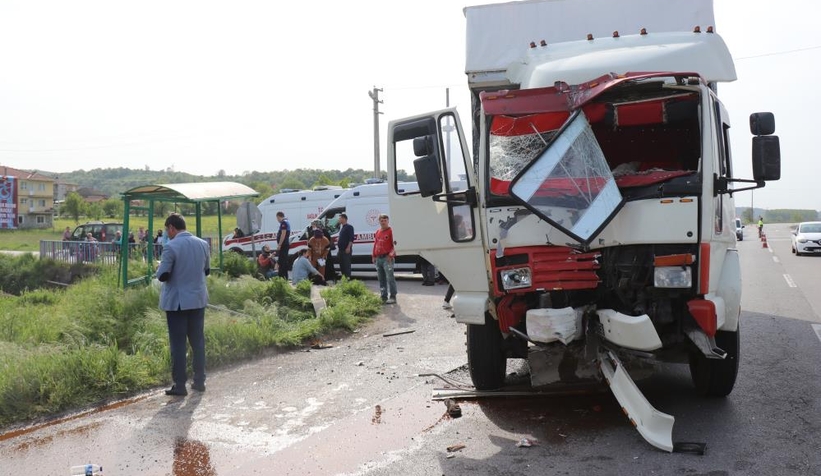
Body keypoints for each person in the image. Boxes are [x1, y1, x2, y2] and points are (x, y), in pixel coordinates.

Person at [156, 213, 211, 396]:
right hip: (197, 300)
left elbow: (162, 275)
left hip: (178, 303)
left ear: (172, 227)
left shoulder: (171, 247)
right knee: (198, 342)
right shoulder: (203, 244)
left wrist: (160, 267)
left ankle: (180, 385)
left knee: (178, 344)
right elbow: (207, 270)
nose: (167, 233)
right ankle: (199, 380)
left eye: (167, 230)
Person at [372, 214, 397, 304]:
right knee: (381, 278)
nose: (383, 222)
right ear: (379, 221)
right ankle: (383, 296)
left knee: (390, 278)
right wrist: (373, 256)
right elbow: (375, 244)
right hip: (379, 259)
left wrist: (390, 255)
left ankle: (393, 296)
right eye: (381, 220)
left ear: (388, 221)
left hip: (387, 258)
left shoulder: (391, 231)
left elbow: (395, 245)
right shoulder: (378, 232)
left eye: (385, 220)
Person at [336, 213, 355, 279]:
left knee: (346, 266)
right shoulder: (342, 228)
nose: (339, 220)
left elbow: (351, 238)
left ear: (344, 219)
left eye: (340, 218)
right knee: (342, 266)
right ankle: (344, 279)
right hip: (341, 250)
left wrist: (348, 247)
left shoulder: (349, 227)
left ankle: (347, 279)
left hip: (346, 250)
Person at [276, 211, 291, 280]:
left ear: (279, 216)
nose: (277, 220)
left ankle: (283, 277)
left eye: (277, 218)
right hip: (284, 245)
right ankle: (283, 277)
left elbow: (283, 234)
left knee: (282, 262)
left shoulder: (284, 223)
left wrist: (279, 245)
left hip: (283, 245)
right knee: (282, 261)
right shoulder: (286, 221)